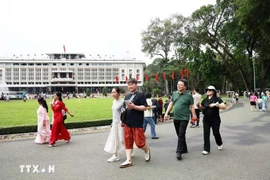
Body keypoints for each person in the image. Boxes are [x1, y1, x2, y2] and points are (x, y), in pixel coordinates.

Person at [120, 78, 151, 168]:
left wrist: (134, 107)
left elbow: (145, 107)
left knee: (139, 143)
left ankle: (146, 150)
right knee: (128, 142)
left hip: (137, 122)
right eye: (128, 85)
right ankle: (128, 160)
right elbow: (124, 110)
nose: (130, 86)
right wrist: (123, 120)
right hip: (128, 123)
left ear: (136, 85)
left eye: (132, 84)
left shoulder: (140, 95)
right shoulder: (127, 96)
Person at [164, 79, 197, 160]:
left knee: (181, 134)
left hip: (184, 117)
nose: (178, 86)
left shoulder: (188, 95)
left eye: (181, 85)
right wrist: (166, 113)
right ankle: (184, 148)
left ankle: (179, 151)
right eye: (178, 84)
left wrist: (194, 116)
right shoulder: (174, 94)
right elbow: (171, 103)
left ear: (185, 86)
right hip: (176, 117)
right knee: (179, 134)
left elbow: (192, 106)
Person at [197, 85, 226, 155]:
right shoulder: (205, 100)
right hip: (206, 119)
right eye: (207, 90)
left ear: (213, 91)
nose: (208, 91)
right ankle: (206, 149)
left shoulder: (217, 99)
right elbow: (202, 108)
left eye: (209, 90)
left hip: (215, 119)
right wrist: (199, 106)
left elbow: (224, 106)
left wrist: (216, 105)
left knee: (215, 133)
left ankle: (219, 143)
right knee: (206, 134)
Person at [104, 87, 124, 162]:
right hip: (115, 124)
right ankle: (115, 155)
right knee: (115, 139)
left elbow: (123, 113)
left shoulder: (122, 102)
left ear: (118, 93)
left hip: (121, 123)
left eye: (114, 92)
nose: (113, 94)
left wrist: (122, 122)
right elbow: (114, 114)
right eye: (112, 92)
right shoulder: (114, 102)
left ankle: (130, 148)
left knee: (122, 139)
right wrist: (112, 123)